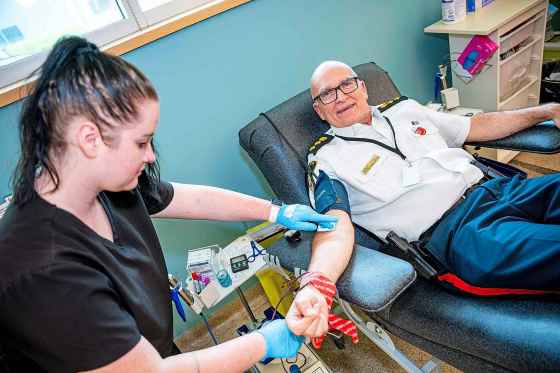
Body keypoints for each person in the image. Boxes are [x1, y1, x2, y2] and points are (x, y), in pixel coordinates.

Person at [0, 37, 338, 373]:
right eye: (142, 142)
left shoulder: (97, 179)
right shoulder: (44, 271)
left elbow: (187, 198)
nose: (150, 156)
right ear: (90, 139)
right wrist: (264, 341)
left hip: (147, 350)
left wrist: (275, 212)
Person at [285, 60, 560, 343]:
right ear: (319, 110)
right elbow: (334, 226)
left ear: (363, 87)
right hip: (462, 235)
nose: (341, 96)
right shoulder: (326, 159)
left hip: (501, 190)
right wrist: (317, 284)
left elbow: (474, 126)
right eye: (327, 94)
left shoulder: (405, 109)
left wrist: (546, 110)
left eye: (346, 84)